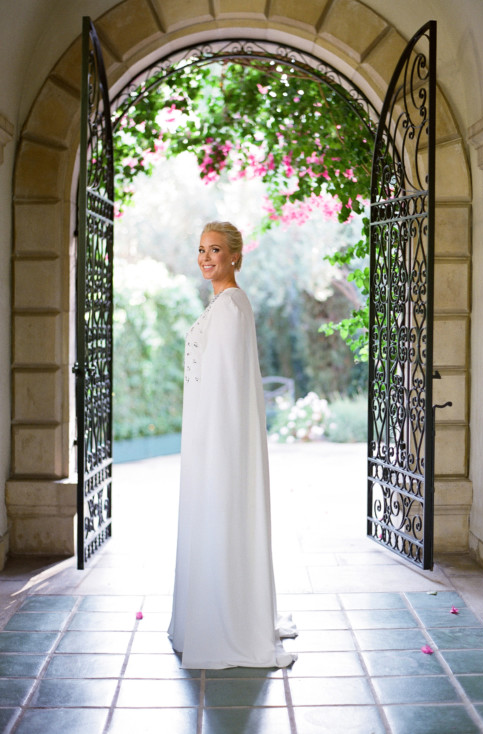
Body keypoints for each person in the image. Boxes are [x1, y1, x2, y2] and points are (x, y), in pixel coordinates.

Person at [168, 221, 297, 669]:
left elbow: (227, 389)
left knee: (220, 519)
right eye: (201, 249)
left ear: (235, 257)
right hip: (210, 434)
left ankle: (230, 626)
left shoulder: (229, 307)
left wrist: (214, 451)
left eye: (216, 250)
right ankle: (219, 613)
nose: (206, 258)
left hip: (217, 439)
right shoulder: (227, 304)